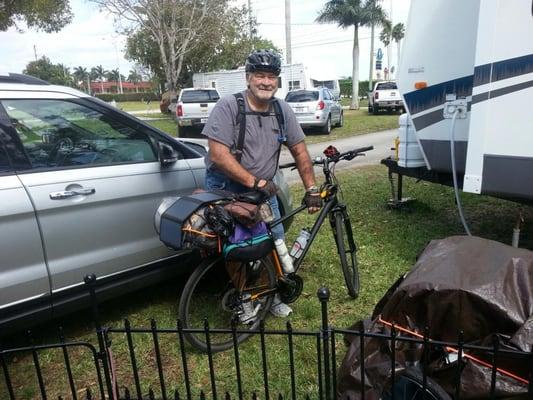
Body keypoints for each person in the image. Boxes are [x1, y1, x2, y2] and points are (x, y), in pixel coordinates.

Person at [201, 49, 322, 318]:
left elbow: (300, 151)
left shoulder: (282, 110)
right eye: (260, 75)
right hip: (228, 186)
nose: (266, 82)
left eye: (271, 77)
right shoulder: (229, 106)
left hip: (263, 188)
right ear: (248, 78)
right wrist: (254, 181)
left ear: (277, 81)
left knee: (273, 241)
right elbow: (218, 156)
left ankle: (273, 293)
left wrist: (312, 188)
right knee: (235, 248)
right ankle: (244, 297)